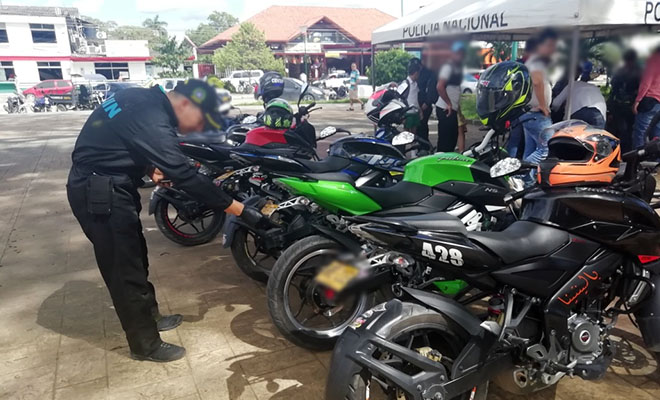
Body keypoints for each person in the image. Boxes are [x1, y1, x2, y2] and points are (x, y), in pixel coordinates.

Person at [66, 80, 266, 363]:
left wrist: (148, 166)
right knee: (123, 268)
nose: (197, 129)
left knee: (136, 256)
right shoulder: (152, 116)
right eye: (200, 120)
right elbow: (185, 175)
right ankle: (144, 345)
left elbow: (121, 138)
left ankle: (150, 316)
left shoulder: (140, 98)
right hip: (98, 191)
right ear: (185, 104)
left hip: (109, 183)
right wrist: (238, 209)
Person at [521, 28, 558, 164]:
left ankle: (524, 176)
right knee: (546, 149)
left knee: (530, 149)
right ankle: (520, 171)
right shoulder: (537, 62)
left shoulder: (531, 62)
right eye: (549, 45)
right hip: (537, 113)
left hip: (530, 112)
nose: (552, 49)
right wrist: (543, 105)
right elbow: (537, 82)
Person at [508, 37, 539, 158]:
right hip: (525, 107)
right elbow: (537, 84)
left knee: (517, 139)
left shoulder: (517, 65)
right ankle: (514, 161)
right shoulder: (532, 66)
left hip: (516, 106)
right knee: (525, 141)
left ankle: (511, 161)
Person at [608, 49, 640, 152]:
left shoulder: (623, 71)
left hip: (626, 106)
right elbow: (614, 89)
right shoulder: (637, 72)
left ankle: (624, 151)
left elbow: (614, 89)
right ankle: (624, 150)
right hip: (624, 106)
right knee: (625, 130)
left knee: (625, 130)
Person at [435, 42, 465, 151]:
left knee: (452, 138)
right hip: (445, 108)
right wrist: (448, 103)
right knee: (446, 141)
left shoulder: (456, 68)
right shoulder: (448, 67)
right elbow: (440, 86)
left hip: (452, 109)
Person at [632, 46, 660, 149]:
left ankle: (639, 156)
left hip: (650, 100)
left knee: (641, 132)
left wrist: (637, 101)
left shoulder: (653, 60)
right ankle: (656, 157)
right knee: (657, 134)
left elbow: (646, 82)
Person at [417, 56, 439, 151]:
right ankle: (423, 145)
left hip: (425, 102)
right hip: (419, 102)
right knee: (420, 126)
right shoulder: (421, 71)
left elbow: (431, 88)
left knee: (422, 125)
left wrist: (427, 102)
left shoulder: (429, 72)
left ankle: (425, 146)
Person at [398, 58, 422, 133]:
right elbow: (399, 97)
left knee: (414, 132)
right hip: (407, 113)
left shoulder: (415, 84)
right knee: (407, 132)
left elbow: (416, 99)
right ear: (416, 73)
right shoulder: (405, 83)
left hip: (415, 112)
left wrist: (420, 110)